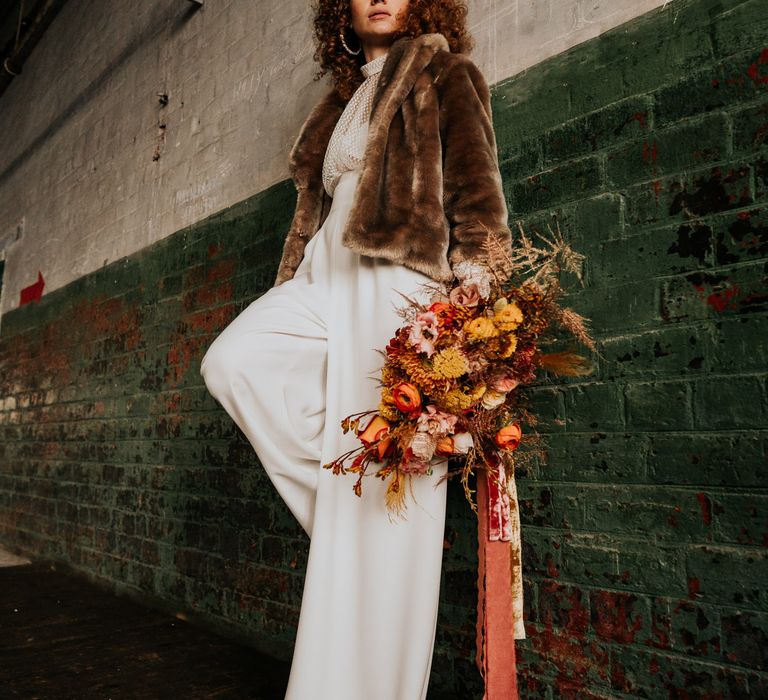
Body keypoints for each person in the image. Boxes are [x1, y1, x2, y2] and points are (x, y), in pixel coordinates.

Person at [200, 1, 512, 698]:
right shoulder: (337, 102)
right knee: (233, 363)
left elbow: (476, 183)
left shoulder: (445, 70)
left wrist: (477, 281)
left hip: (395, 275)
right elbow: (317, 206)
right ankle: (368, 527)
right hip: (322, 270)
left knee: (393, 454)